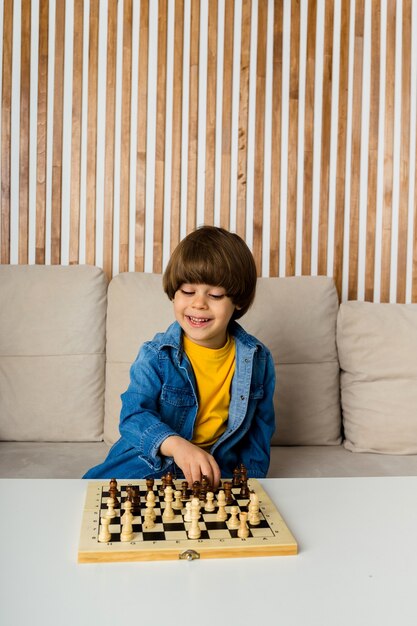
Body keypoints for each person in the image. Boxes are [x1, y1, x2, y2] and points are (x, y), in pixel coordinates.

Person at [83, 226, 276, 486]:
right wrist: (176, 446)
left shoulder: (258, 359)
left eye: (215, 294)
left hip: (214, 471)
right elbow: (133, 417)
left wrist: (252, 483)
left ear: (238, 301)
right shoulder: (156, 355)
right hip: (151, 461)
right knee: (88, 491)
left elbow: (258, 434)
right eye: (187, 291)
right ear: (174, 293)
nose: (199, 303)